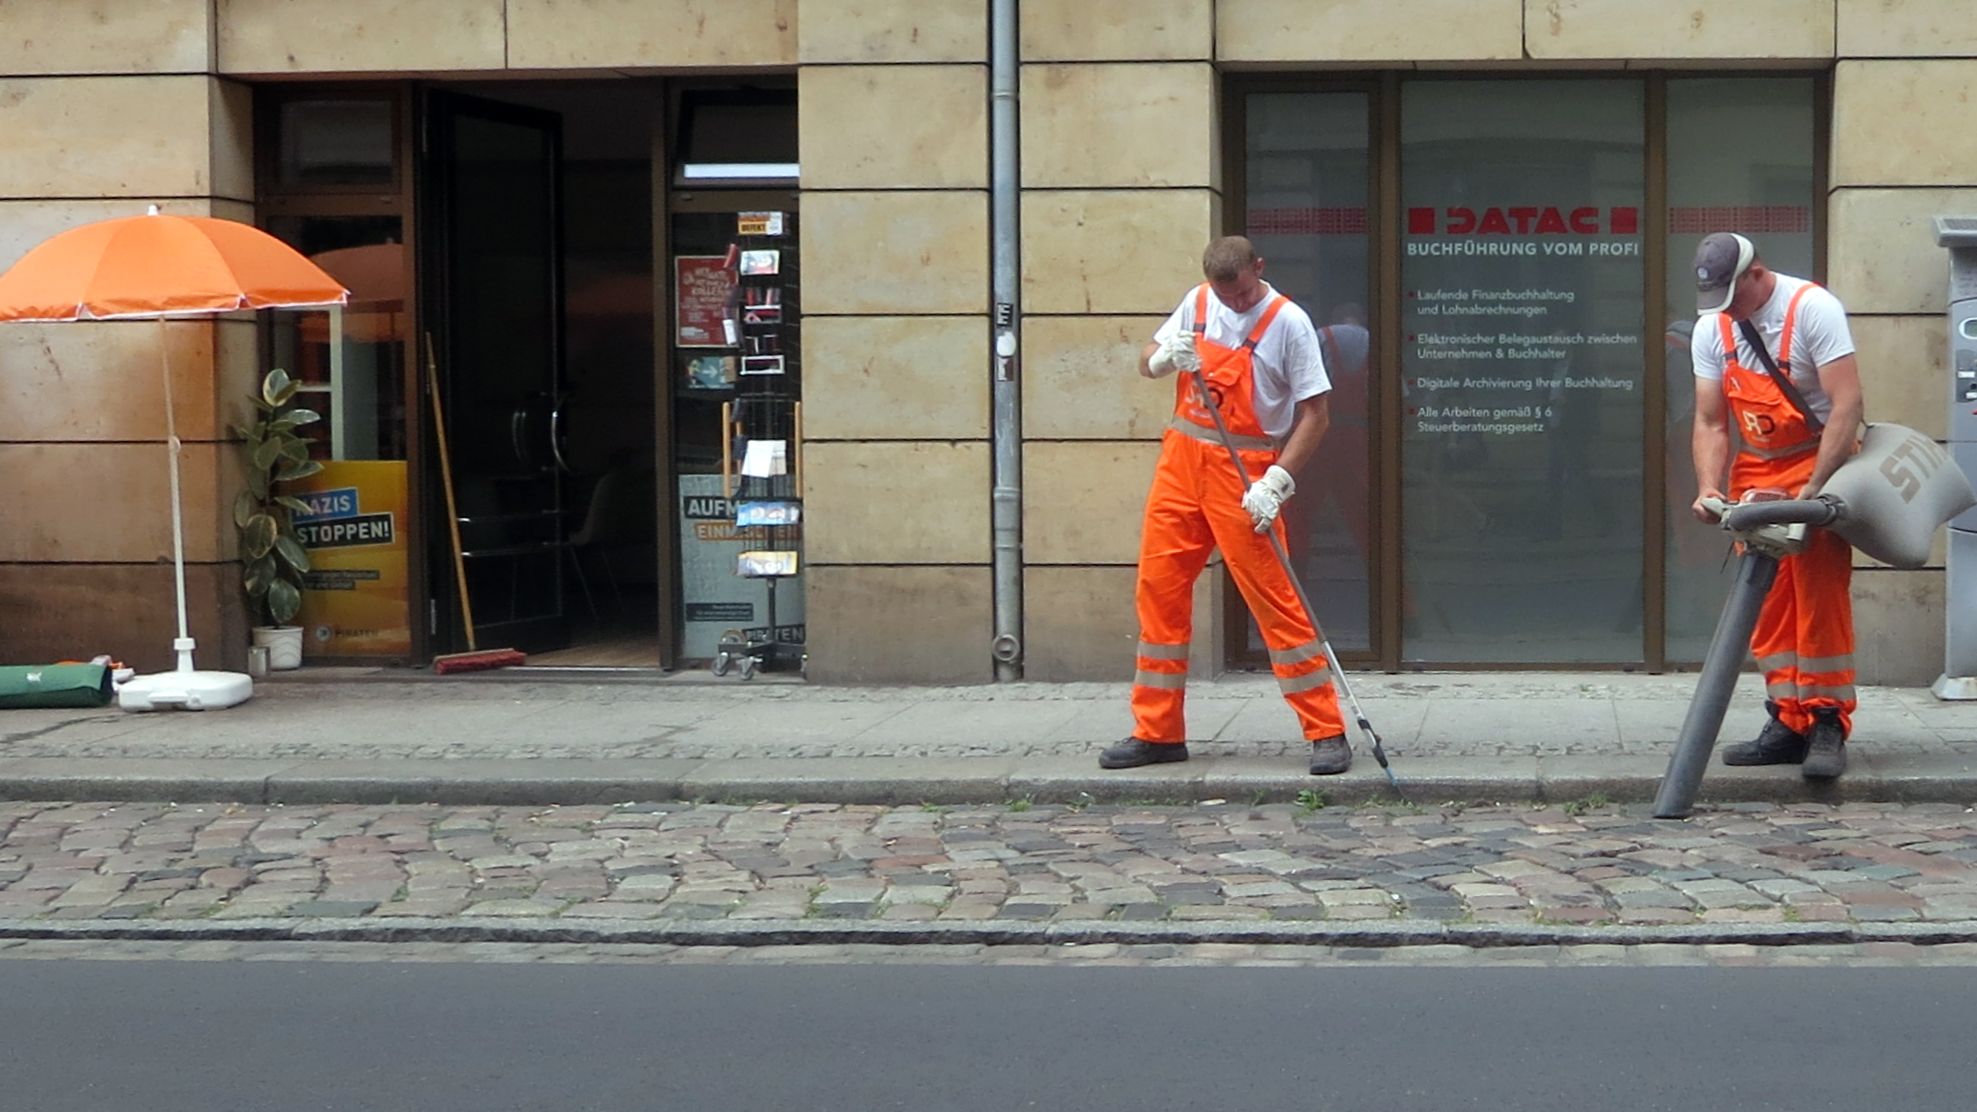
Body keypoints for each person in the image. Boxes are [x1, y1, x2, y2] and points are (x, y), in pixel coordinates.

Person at [1100, 236, 1350, 776]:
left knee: (1275, 600)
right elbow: (1146, 359)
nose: (1233, 305)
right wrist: (1165, 358)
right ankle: (1158, 732)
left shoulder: (1288, 322)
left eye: (1239, 295)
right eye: (1223, 295)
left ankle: (1326, 730)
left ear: (1258, 269)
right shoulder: (1197, 301)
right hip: (1180, 466)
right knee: (1158, 592)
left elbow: (1317, 414)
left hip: (1244, 474)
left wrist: (1278, 480)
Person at [1688, 232, 1864, 780]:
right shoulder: (1711, 328)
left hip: (1818, 460)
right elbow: (1712, 420)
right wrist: (1710, 486)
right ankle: (1786, 722)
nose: (1725, 308)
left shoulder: (1812, 308)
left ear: (1755, 273)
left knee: (1818, 595)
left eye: (1731, 294)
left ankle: (1827, 721)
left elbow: (1847, 404)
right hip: (1758, 472)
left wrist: (1816, 487)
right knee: (1766, 602)